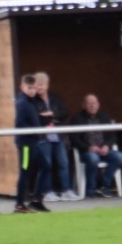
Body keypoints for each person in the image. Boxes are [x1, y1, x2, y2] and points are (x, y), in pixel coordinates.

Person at [33, 72, 80, 202]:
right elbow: (33, 117)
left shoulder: (55, 97)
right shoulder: (32, 100)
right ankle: (48, 192)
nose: (39, 87)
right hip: (42, 137)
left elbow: (64, 112)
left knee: (63, 163)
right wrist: (45, 118)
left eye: (42, 84)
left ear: (47, 85)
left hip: (58, 135)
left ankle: (67, 191)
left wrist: (52, 114)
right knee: (46, 164)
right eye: (37, 85)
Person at [69, 94, 122, 198]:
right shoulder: (77, 118)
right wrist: (88, 147)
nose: (92, 106)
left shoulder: (104, 116)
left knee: (119, 157)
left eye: (94, 103)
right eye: (89, 103)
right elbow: (74, 139)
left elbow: (113, 136)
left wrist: (107, 146)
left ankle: (105, 185)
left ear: (98, 105)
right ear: (83, 105)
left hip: (104, 150)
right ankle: (90, 189)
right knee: (93, 158)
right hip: (87, 152)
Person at [14, 74, 51, 213]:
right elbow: (20, 124)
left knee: (46, 167)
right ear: (22, 87)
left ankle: (36, 200)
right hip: (26, 144)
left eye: (34, 88)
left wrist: (46, 119)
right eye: (29, 88)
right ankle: (19, 204)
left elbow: (34, 120)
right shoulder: (22, 103)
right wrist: (36, 128)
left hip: (34, 142)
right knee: (25, 172)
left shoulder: (32, 101)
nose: (32, 90)